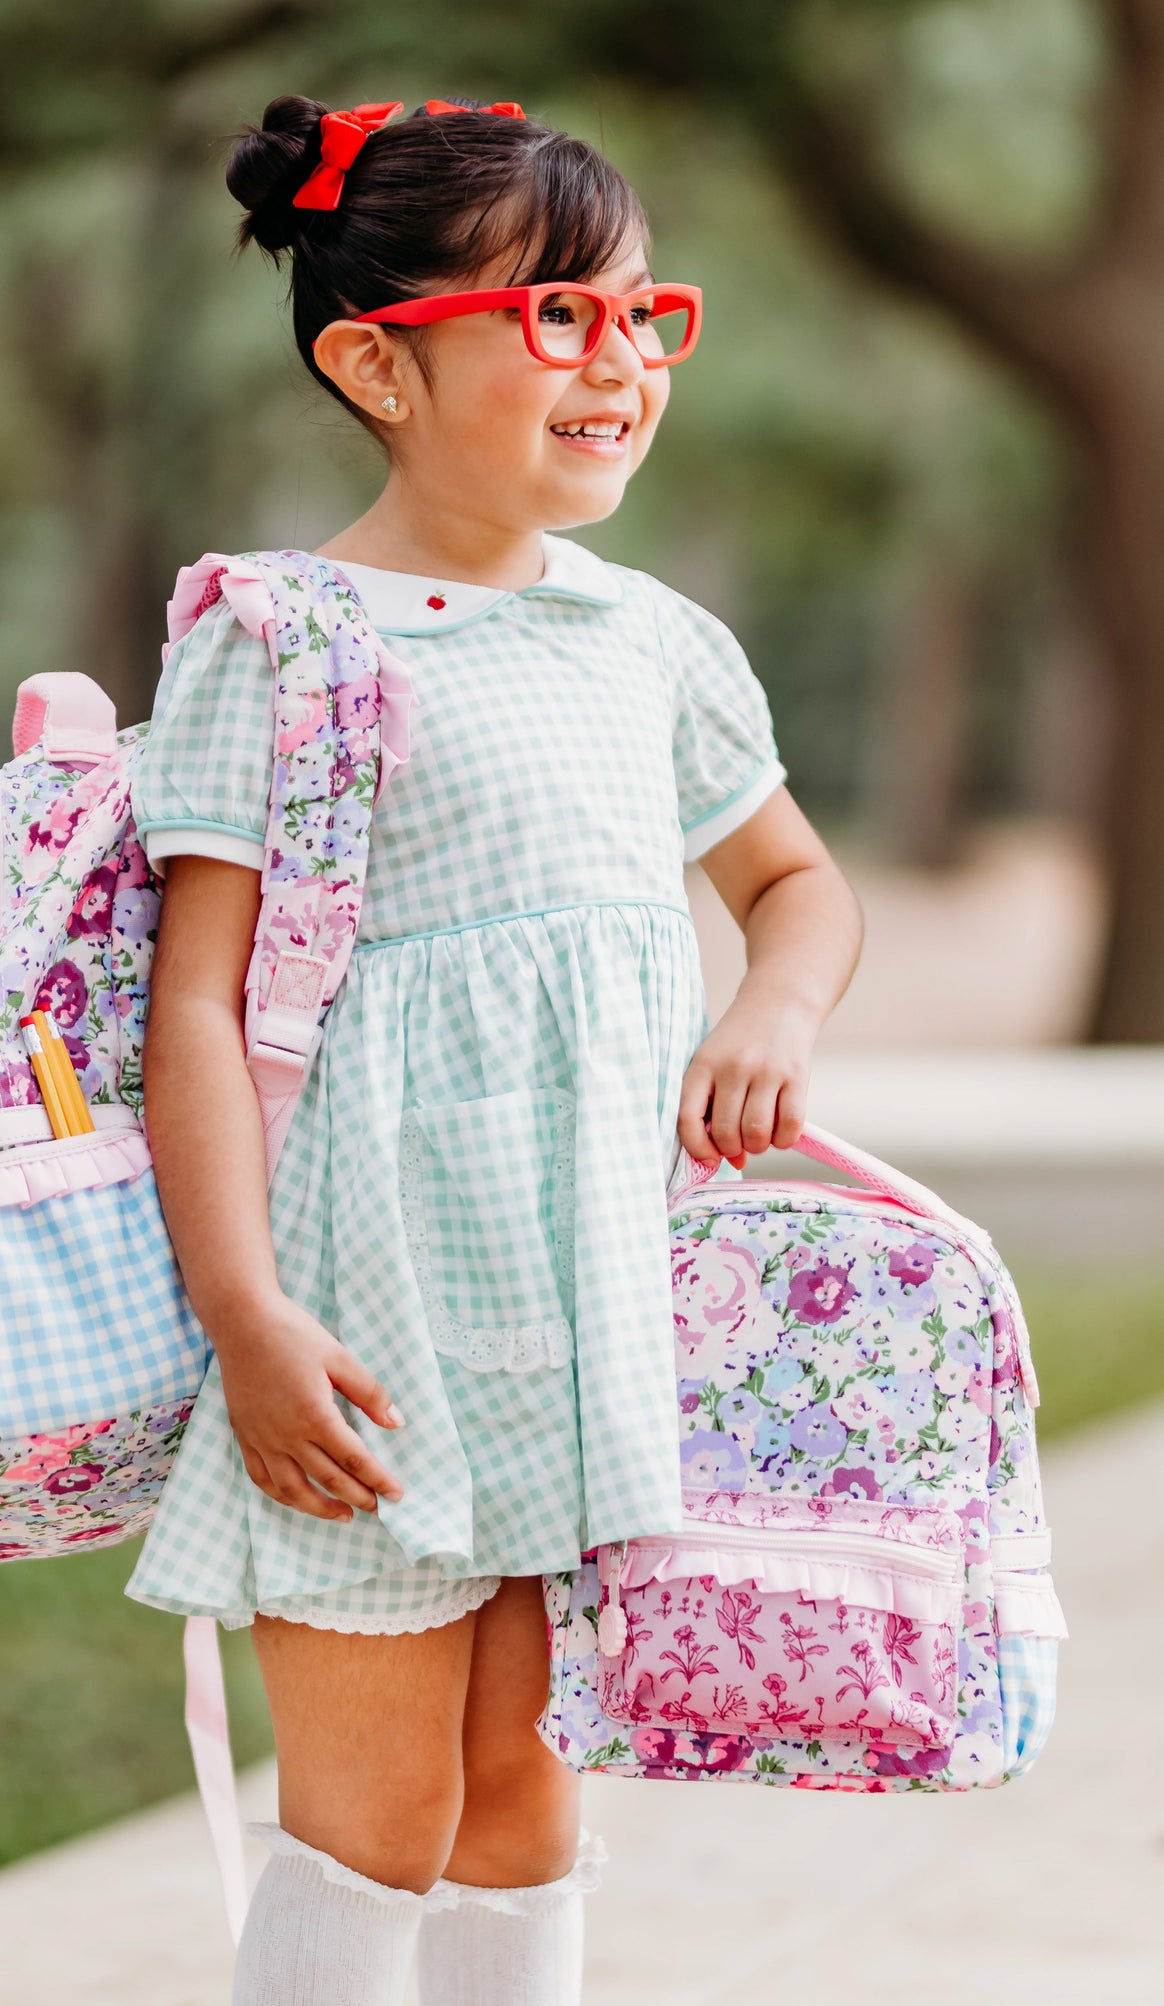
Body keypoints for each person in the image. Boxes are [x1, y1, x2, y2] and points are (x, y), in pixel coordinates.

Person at [126, 94, 863, 2006]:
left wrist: (771, 1008)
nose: (617, 362)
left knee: (528, 1797)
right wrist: (244, 1311)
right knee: (371, 1817)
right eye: (554, 316)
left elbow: (798, 886)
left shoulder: (656, 643)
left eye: (641, 316)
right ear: (378, 360)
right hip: (372, 1324)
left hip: (591, 1301)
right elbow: (195, 1002)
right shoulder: (282, 640)